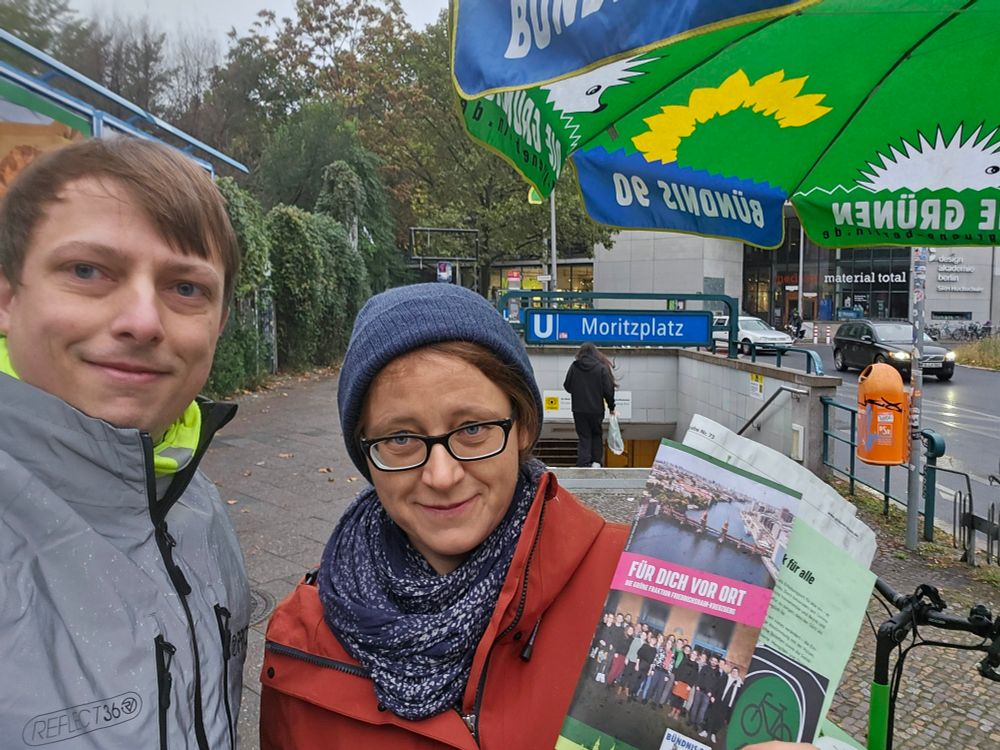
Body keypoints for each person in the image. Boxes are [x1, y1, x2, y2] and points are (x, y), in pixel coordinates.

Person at [257, 283, 816, 750]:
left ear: (523, 429)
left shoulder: (634, 575)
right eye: (401, 438)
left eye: (472, 429)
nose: (443, 474)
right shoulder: (302, 640)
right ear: (365, 453)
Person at [0, 137, 250, 748]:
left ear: (217, 324)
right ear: (7, 296)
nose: (143, 320)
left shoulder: (196, 504)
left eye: (186, 288)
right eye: (88, 271)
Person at [563, 341, 616, 467]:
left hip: (578, 409)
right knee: (596, 434)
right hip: (596, 409)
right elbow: (608, 389)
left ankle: (583, 462)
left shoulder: (575, 366)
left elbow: (567, 386)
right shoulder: (601, 368)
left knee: (584, 436)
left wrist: (578, 391)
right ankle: (596, 462)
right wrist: (611, 407)